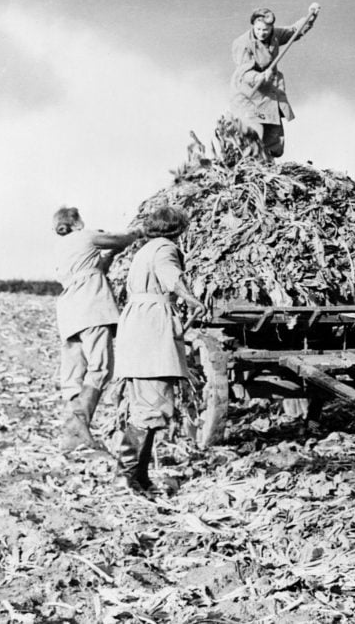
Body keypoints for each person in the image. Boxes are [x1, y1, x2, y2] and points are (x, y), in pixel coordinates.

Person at [113, 206, 206, 495]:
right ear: (177, 229)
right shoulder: (166, 248)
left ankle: (137, 477)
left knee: (146, 407)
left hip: (138, 324)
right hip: (152, 326)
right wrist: (192, 300)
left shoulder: (144, 249)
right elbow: (171, 278)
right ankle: (128, 478)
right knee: (151, 409)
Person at [53, 207, 143, 452]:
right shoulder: (85, 236)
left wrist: (111, 255)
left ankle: (71, 433)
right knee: (101, 367)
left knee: (73, 373)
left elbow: (94, 268)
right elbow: (121, 239)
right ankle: (79, 427)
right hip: (91, 306)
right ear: (77, 222)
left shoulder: (60, 247)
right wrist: (137, 232)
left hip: (69, 311)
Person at [229, 7, 316, 159]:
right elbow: (243, 73)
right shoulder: (242, 44)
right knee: (252, 133)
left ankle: (267, 166)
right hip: (249, 93)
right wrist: (260, 76)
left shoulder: (275, 35)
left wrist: (311, 16)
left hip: (268, 94)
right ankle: (247, 165)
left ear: (271, 28)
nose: (262, 33)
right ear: (253, 26)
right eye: (259, 29)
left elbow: (294, 31)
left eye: (266, 30)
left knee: (273, 138)